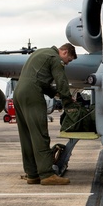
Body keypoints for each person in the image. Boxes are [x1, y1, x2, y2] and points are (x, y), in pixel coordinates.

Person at [14, 43, 77, 185]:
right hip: (32, 94)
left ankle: (32, 174)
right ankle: (47, 174)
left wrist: (56, 94)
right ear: (65, 52)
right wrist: (68, 102)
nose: (67, 64)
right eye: (69, 60)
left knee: (27, 135)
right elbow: (61, 80)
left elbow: (40, 80)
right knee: (40, 134)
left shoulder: (41, 53)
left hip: (18, 93)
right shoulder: (55, 58)